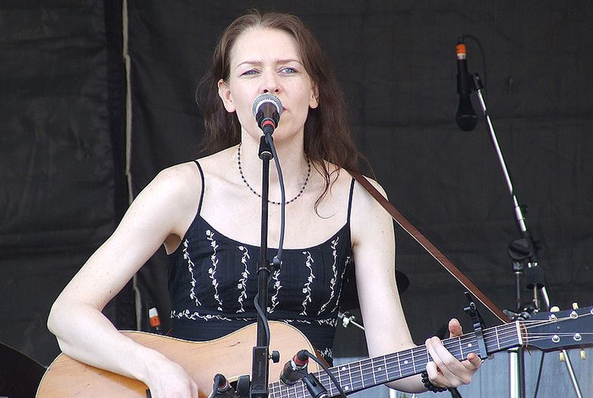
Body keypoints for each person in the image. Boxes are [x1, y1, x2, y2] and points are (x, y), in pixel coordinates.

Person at [48, 10, 482, 398]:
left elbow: (392, 355)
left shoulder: (361, 198)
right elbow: (68, 315)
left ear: (313, 92)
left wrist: (433, 371)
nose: (270, 83)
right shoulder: (181, 188)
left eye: (288, 70)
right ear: (227, 95)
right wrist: (158, 369)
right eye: (251, 71)